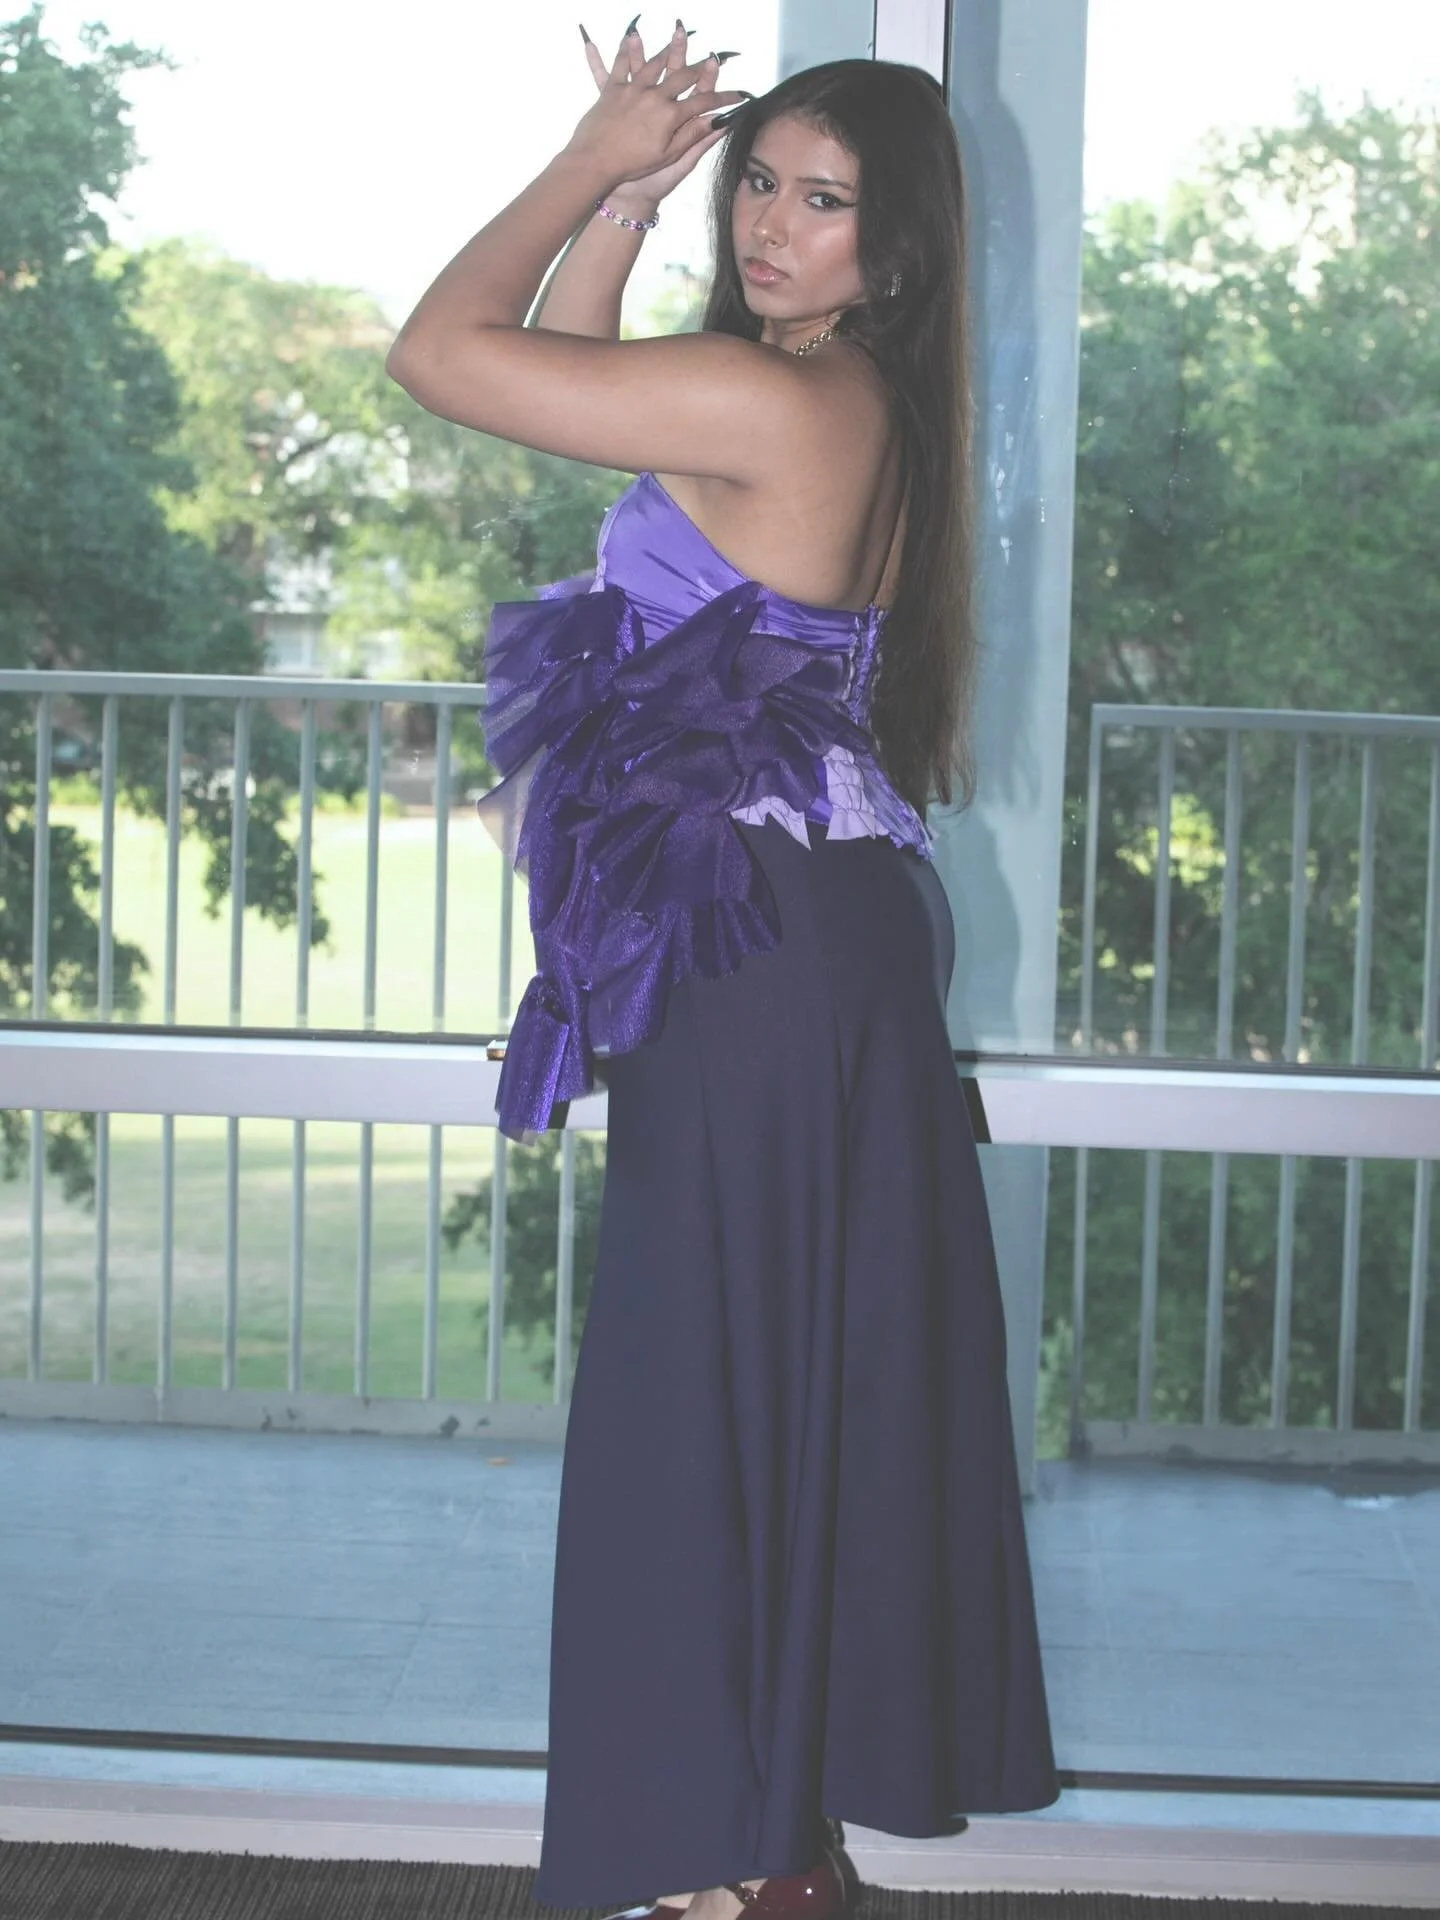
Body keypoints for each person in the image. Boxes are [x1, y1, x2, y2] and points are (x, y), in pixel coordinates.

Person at [386, 20, 1059, 1920]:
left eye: (819, 201)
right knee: (763, 1377)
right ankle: (763, 1850)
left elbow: (442, 356)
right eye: (757, 182)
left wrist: (587, 160)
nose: (770, 224)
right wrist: (631, 200)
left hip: (760, 949)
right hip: (785, 933)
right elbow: (577, 365)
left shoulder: (788, 404)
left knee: (715, 1386)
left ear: (892, 250)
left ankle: (749, 1855)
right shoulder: (824, 397)